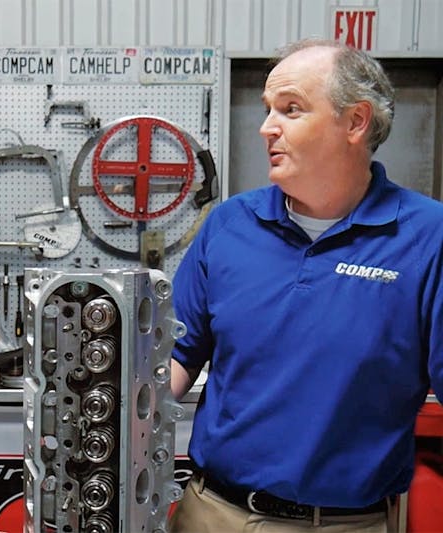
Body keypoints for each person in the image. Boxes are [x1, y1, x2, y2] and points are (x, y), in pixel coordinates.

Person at [168, 38, 443, 533]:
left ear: (355, 122)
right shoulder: (229, 225)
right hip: (209, 511)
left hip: (343, 524)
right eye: (268, 109)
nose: (266, 127)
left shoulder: (429, 237)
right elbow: (176, 357)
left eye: (291, 109)